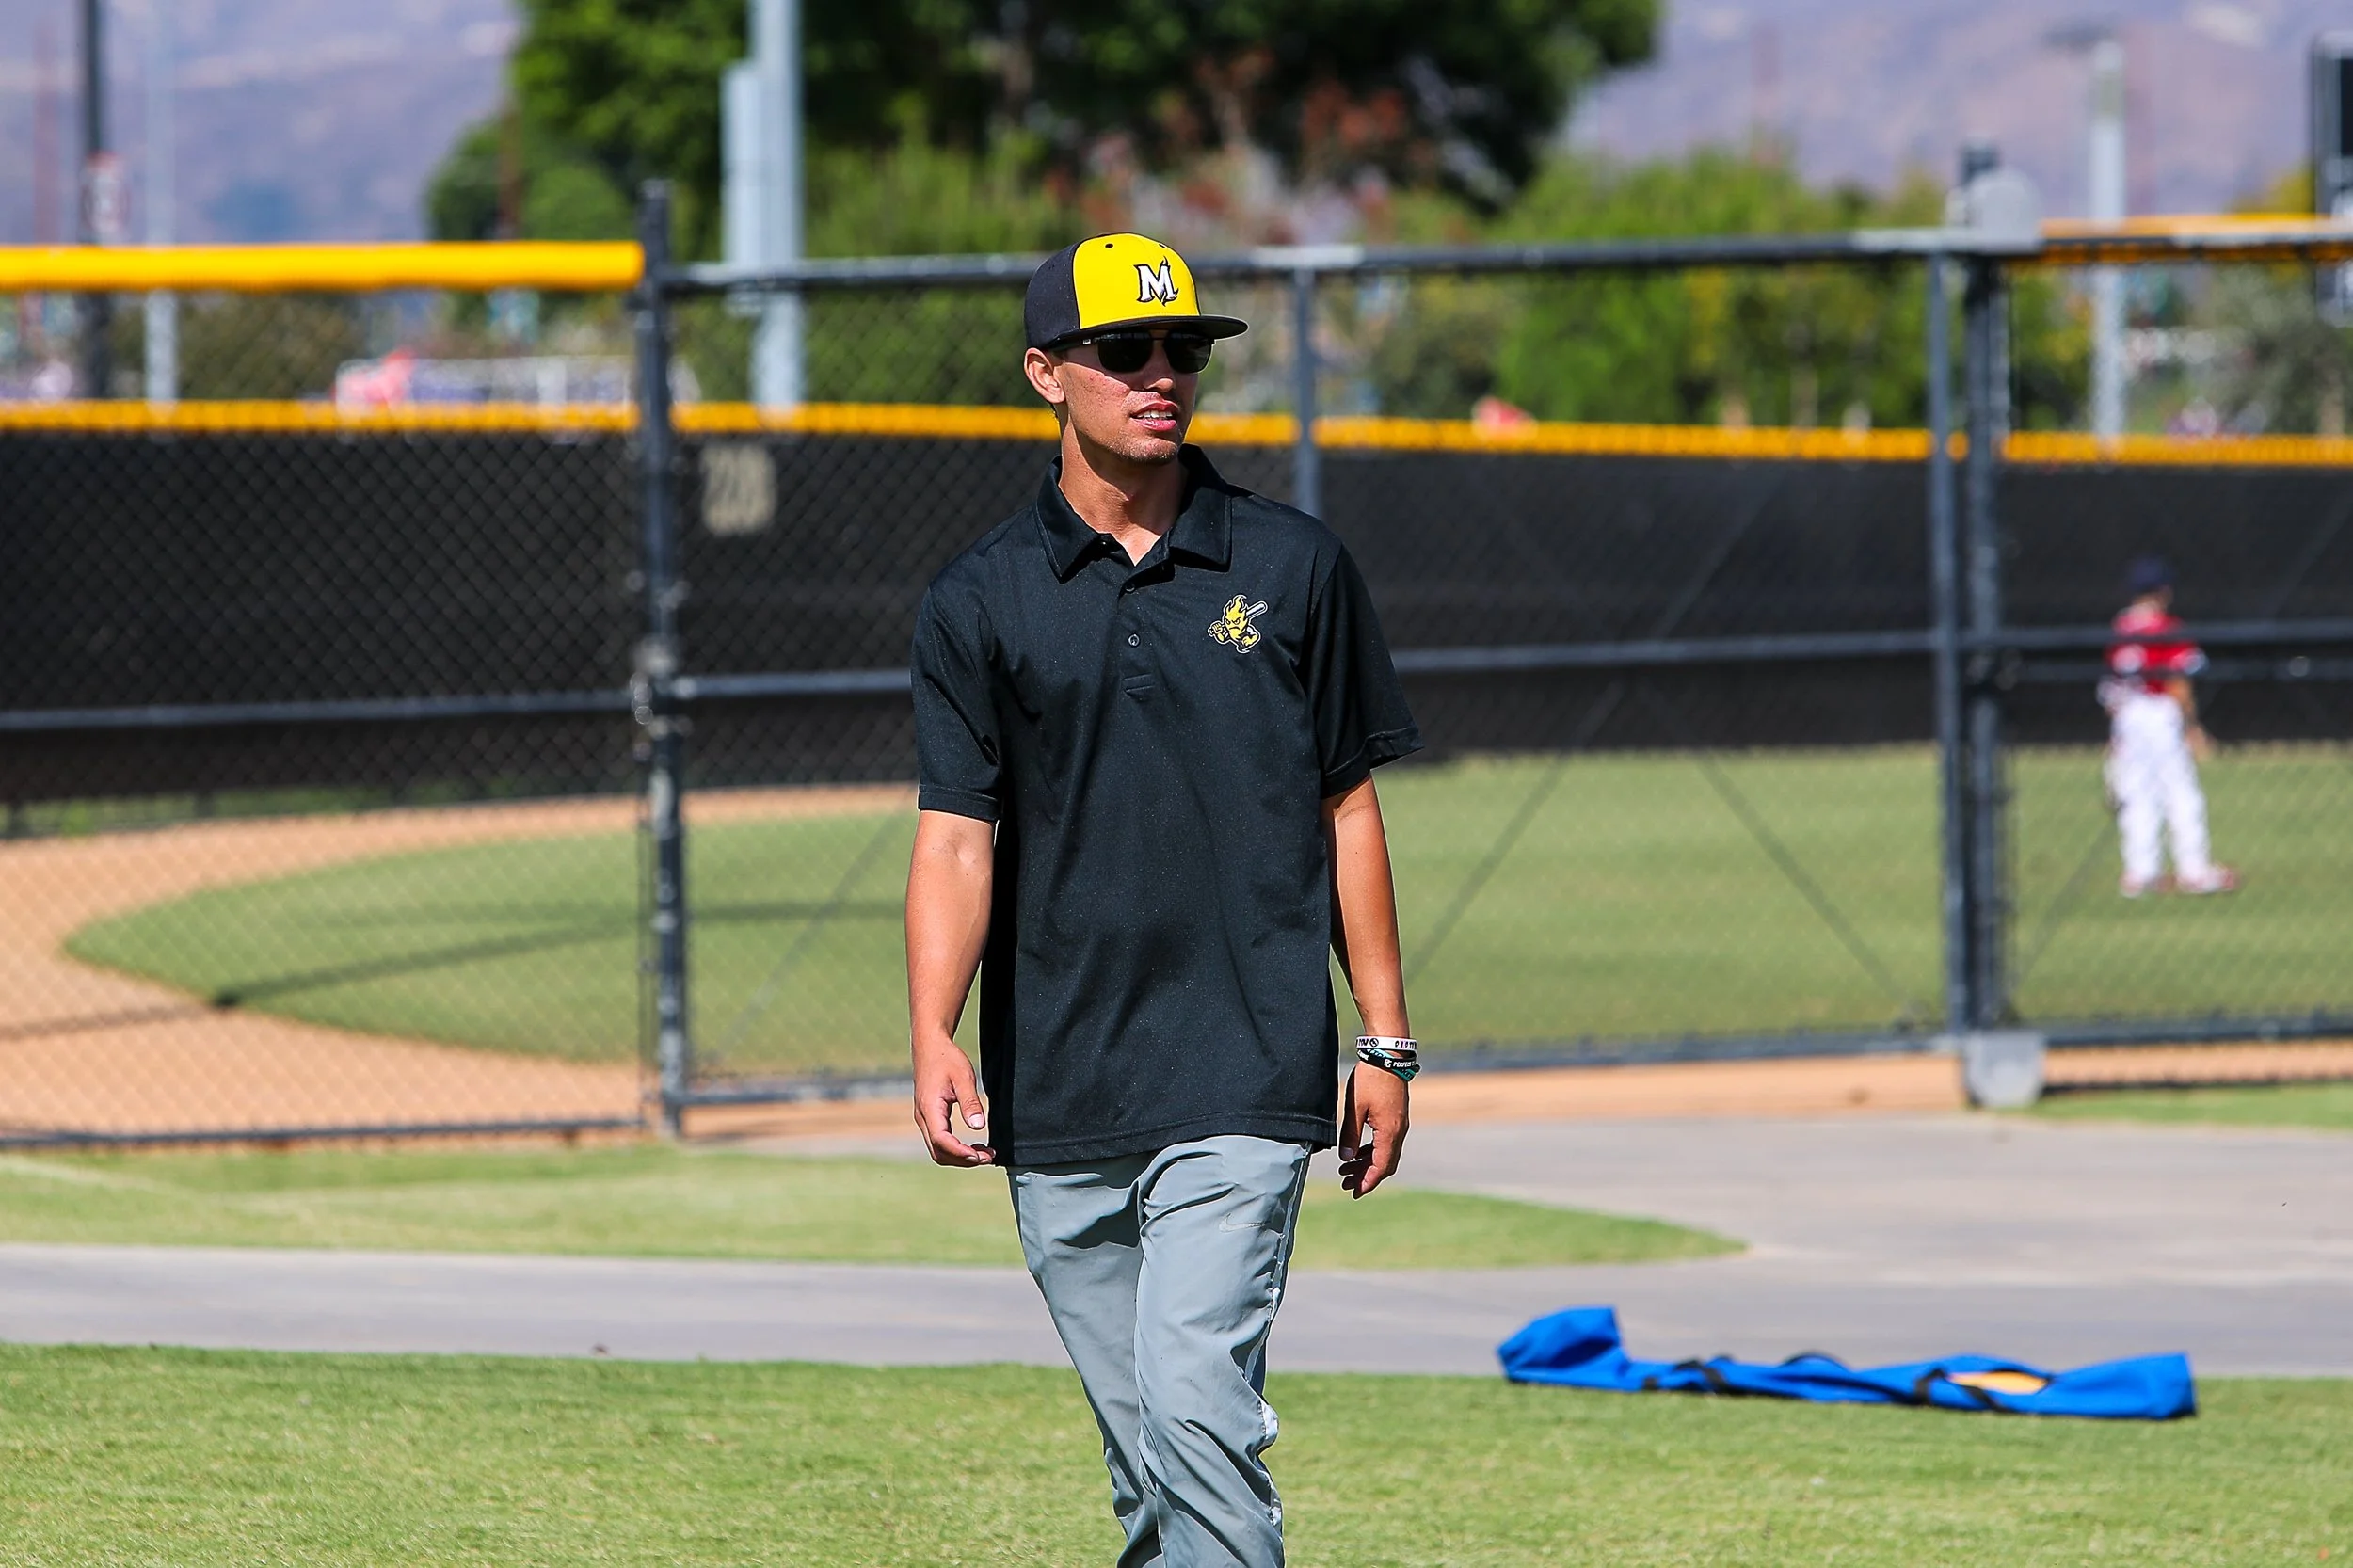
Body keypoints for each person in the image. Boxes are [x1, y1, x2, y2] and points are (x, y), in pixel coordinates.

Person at [904, 232, 1423, 1567]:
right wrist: (931, 1032)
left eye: (1183, 349)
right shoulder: (977, 599)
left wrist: (1385, 1040)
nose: (1162, 374)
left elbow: (1347, 806)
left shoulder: (1294, 565)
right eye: (1125, 350)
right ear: (1045, 373)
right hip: (1062, 1074)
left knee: (1198, 1409)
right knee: (1151, 1467)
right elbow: (958, 836)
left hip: (1244, 1059)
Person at [2102, 555, 2236, 897]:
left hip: (2128, 714)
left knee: (2137, 795)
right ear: (2162, 591)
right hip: (2159, 712)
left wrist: (2116, 735)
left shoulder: (2121, 628)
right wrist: (2192, 726)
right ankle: (2194, 871)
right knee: (2180, 792)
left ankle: (2140, 874)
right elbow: (2177, 679)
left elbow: (2111, 688)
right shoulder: (2167, 627)